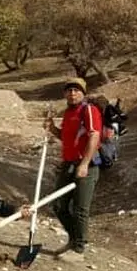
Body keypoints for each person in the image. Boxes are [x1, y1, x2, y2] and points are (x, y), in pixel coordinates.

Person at [44, 77, 101, 258]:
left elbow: (94, 136)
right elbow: (67, 138)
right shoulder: (69, 113)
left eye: (76, 90)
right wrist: (53, 129)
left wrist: (84, 164)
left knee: (80, 208)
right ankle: (74, 238)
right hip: (68, 165)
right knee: (59, 205)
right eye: (69, 90)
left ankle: (79, 248)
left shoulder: (89, 110)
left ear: (83, 93)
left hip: (86, 165)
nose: (72, 93)